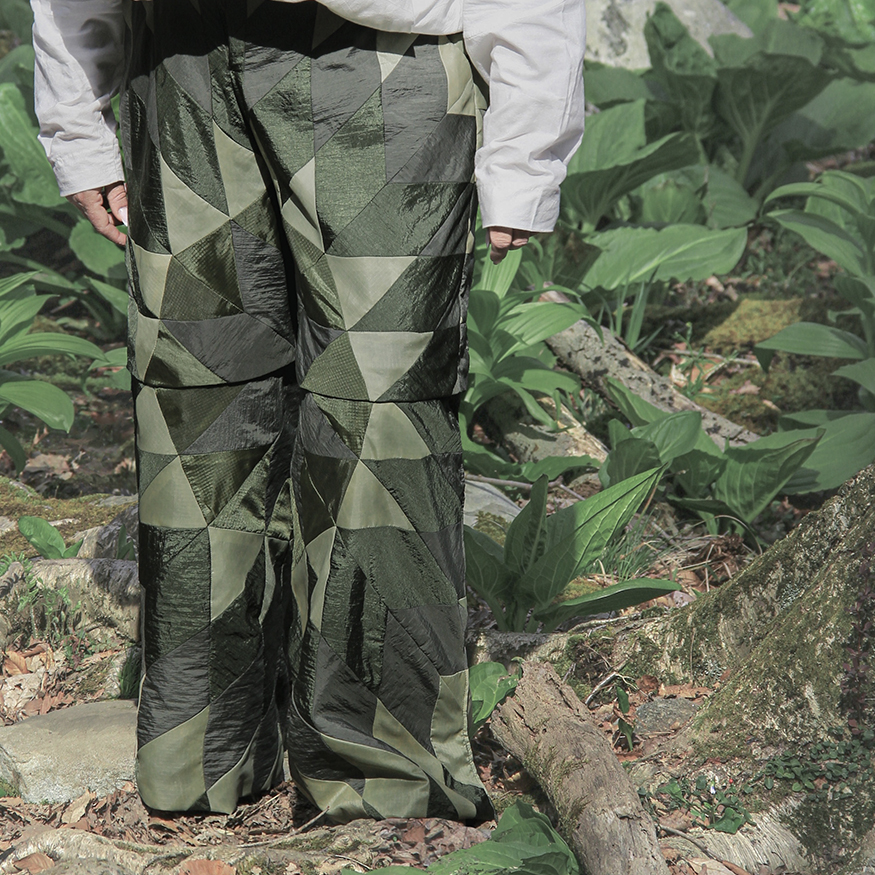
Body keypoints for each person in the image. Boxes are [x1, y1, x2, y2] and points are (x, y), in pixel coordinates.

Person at [29, 0, 586, 822]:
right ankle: (198, 754)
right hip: (180, 62)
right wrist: (73, 112)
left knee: (383, 420)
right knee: (193, 407)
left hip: (384, 64)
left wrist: (528, 146)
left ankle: (383, 777)